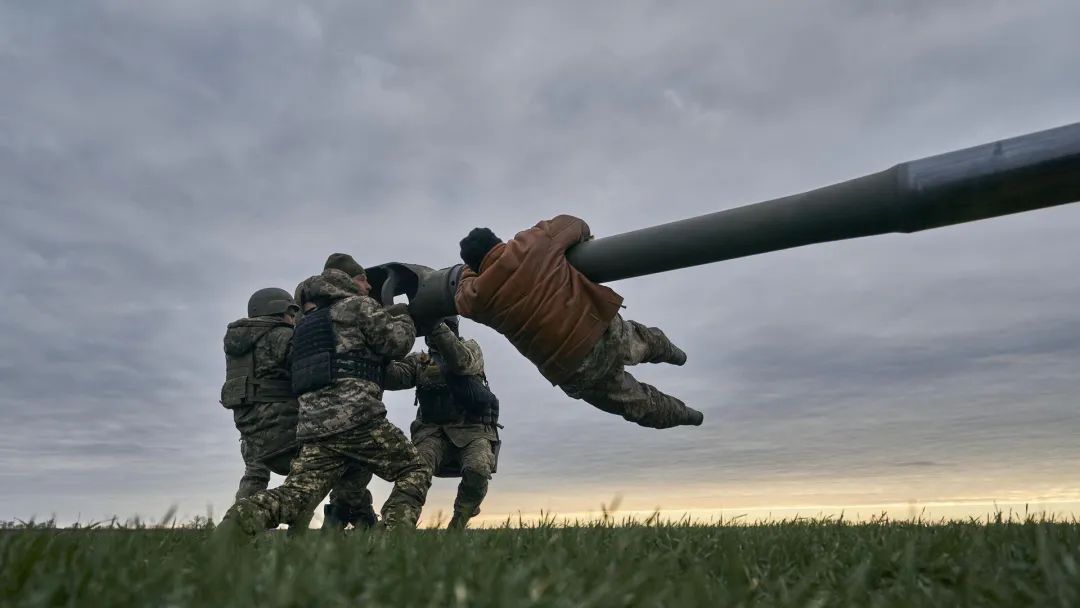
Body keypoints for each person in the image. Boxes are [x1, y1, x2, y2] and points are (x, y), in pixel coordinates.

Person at [215, 256, 427, 538]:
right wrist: (403, 315)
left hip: (313, 429)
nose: (368, 286)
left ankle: (240, 519)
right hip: (358, 419)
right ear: (348, 281)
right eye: (363, 279)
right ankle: (392, 539)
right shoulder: (357, 306)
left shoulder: (305, 324)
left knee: (295, 495)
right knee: (415, 468)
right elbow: (398, 343)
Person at [455, 215, 703, 429]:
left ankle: (690, 416)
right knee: (645, 340)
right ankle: (677, 355)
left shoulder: (478, 296)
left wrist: (468, 271)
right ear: (498, 241)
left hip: (575, 370)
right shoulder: (533, 241)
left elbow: (461, 296)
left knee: (640, 404)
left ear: (475, 266)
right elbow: (576, 224)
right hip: (601, 331)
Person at [221, 285, 378, 531]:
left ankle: (236, 533)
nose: (294, 319)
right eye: (291, 313)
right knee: (346, 462)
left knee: (254, 477)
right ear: (279, 310)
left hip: (252, 434)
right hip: (285, 433)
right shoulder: (280, 336)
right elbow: (311, 361)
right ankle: (339, 525)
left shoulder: (238, 344)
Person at [385, 316, 500, 529]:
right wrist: (380, 350)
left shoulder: (471, 348)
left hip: (471, 430)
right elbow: (394, 378)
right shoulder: (418, 361)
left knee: (478, 469)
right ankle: (396, 527)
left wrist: (435, 323)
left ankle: (460, 520)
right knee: (414, 471)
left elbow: (461, 363)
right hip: (432, 431)